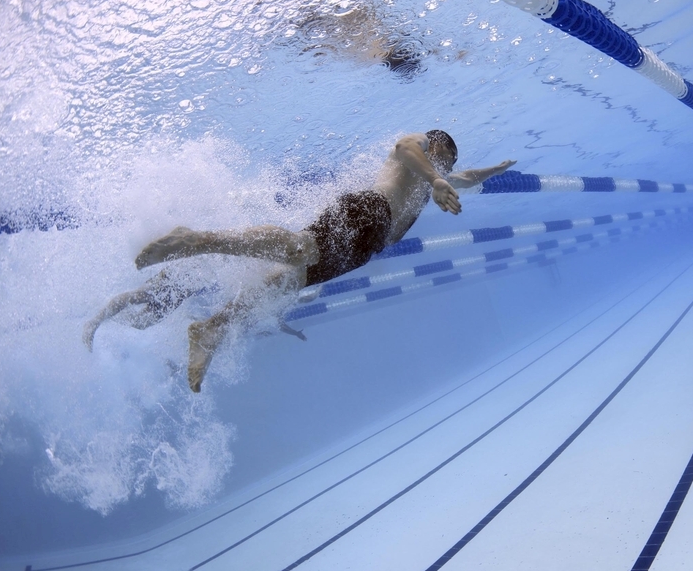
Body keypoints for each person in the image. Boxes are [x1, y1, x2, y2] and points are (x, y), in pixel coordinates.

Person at [91, 131, 515, 393]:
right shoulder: (419, 149)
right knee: (297, 249)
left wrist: (492, 170)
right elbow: (407, 148)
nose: (446, 167)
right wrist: (437, 176)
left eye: (448, 165)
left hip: (363, 249)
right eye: (444, 158)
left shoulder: (432, 183)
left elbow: (464, 178)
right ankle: (194, 240)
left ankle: (212, 327)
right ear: (436, 145)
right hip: (367, 211)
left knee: (285, 283)